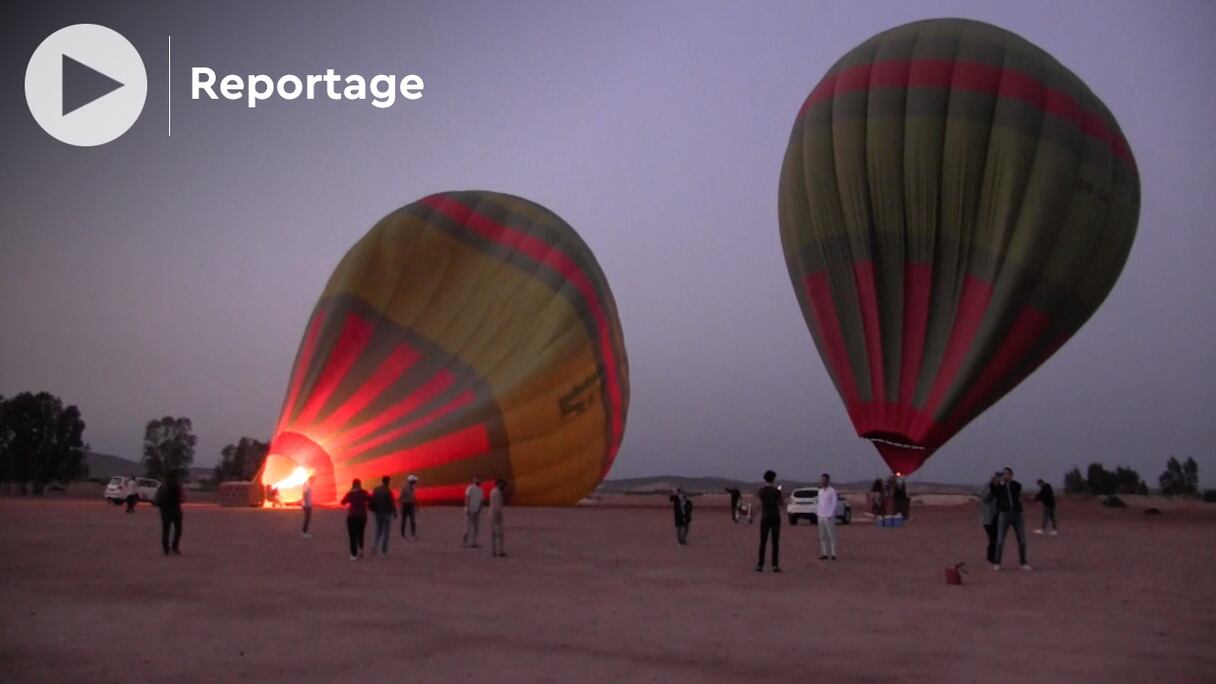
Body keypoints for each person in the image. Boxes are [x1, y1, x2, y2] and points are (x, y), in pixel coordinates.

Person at [991, 467, 1031, 571]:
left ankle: (1023, 562)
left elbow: (1018, 487)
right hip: (1004, 514)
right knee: (1000, 540)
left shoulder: (1015, 485)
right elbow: (994, 492)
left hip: (1017, 514)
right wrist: (995, 481)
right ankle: (997, 562)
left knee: (1022, 540)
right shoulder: (1000, 486)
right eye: (1003, 473)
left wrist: (1008, 482)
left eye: (1007, 473)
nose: (1005, 475)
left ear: (1011, 475)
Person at [755, 470, 783, 572]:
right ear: (773, 479)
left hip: (765, 516)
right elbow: (781, 503)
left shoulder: (761, 491)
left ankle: (760, 565)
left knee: (763, 541)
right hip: (775, 516)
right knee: (775, 542)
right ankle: (774, 565)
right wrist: (779, 492)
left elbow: (759, 503)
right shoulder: (776, 491)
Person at [340, 478, 372, 560]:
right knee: (361, 534)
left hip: (352, 516)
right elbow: (370, 499)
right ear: (360, 484)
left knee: (352, 536)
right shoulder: (364, 492)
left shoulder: (350, 493)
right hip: (362, 516)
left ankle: (354, 555)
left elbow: (342, 502)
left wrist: (350, 495)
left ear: (353, 485)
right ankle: (361, 551)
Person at [153, 472, 184, 556]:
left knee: (166, 530)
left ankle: (166, 549)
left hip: (165, 511)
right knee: (178, 530)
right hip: (175, 510)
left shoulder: (163, 486)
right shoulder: (178, 486)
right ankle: (174, 547)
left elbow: (157, 499)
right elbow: (183, 499)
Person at [371, 476, 397, 557]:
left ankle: (375, 544)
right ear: (388, 482)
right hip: (386, 513)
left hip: (377, 513)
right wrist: (395, 512)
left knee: (378, 530)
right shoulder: (388, 491)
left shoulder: (376, 489)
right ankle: (383, 551)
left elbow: (372, 499)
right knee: (386, 532)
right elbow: (392, 503)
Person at [816, 473, 839, 560]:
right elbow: (819, 503)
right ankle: (824, 553)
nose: (823, 481)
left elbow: (834, 503)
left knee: (831, 535)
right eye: (822, 480)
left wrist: (830, 514)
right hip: (821, 516)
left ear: (828, 481)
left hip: (829, 517)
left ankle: (833, 554)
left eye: (824, 480)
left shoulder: (832, 491)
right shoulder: (820, 491)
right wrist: (818, 513)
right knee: (822, 536)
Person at [980, 472, 1001, 564]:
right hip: (988, 518)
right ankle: (991, 558)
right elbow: (985, 498)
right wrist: (992, 486)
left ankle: (994, 557)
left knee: (996, 538)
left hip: (998, 517)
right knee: (993, 538)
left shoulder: (1000, 487)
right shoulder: (987, 486)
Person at [463, 476, 485, 548]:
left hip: (476, 510)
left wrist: (479, 509)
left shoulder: (480, 490)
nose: (478, 481)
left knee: (475, 527)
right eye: (477, 480)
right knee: (468, 527)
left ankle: (473, 542)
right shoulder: (470, 488)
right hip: (470, 510)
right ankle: (466, 542)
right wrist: (467, 508)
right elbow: (467, 498)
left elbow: (481, 501)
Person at [490, 480, 508, 557]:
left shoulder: (492, 491)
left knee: (493, 535)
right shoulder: (498, 493)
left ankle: (494, 551)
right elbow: (498, 507)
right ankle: (501, 551)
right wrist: (500, 516)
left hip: (491, 514)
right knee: (500, 535)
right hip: (496, 516)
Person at [399, 474, 418, 539]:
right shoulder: (405, 487)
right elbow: (401, 498)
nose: (415, 482)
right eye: (414, 481)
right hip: (406, 505)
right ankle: (403, 534)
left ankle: (412, 534)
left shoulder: (412, 487)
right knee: (405, 520)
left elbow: (413, 497)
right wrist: (401, 507)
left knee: (412, 520)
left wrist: (416, 504)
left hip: (410, 505)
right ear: (411, 481)